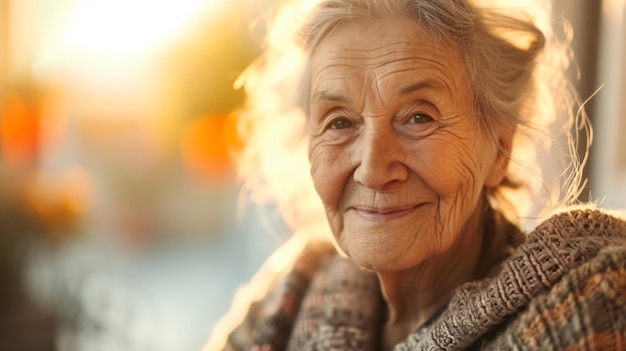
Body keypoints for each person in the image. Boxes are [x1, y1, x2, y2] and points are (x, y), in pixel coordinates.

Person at [205, 0, 626, 349]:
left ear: (499, 148)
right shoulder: (287, 297)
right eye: (339, 122)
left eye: (419, 117)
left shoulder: (596, 306)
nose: (372, 169)